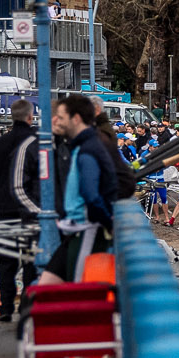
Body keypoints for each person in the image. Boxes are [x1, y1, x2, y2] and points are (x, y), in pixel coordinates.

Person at [44, 94, 117, 282]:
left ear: (75, 119)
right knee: (49, 284)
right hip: (78, 227)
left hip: (86, 227)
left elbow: (91, 194)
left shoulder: (87, 149)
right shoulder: (84, 145)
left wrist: (108, 223)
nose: (57, 121)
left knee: (78, 286)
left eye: (61, 118)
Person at [0, 99, 40, 322]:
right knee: (30, 261)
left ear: (11, 116)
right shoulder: (36, 143)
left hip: (6, 211)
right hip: (31, 212)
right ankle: (27, 307)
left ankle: (5, 307)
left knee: (6, 261)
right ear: (30, 116)